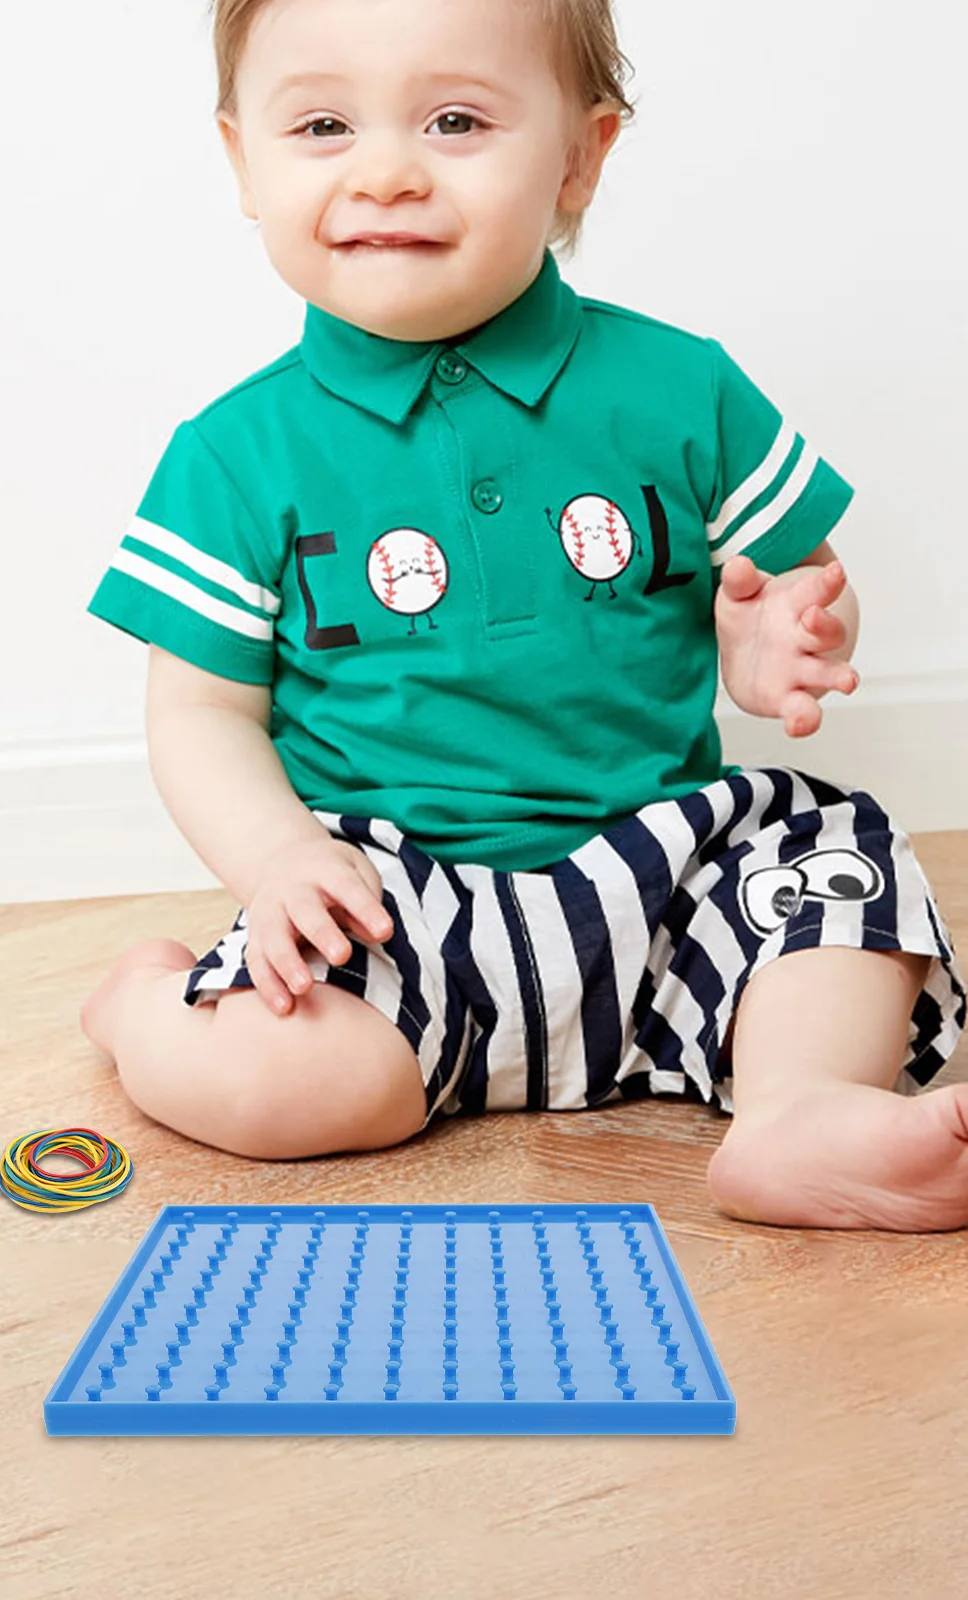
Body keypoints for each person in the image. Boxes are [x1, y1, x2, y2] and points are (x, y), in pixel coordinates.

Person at [80, 0, 968, 1230]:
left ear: (580, 155)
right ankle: (140, 1007)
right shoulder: (237, 457)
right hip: (394, 898)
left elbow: (797, 585)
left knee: (837, 863)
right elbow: (200, 711)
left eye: (454, 120)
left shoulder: (678, 387)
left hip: (666, 874)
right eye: (324, 124)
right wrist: (281, 860)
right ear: (243, 160)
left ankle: (798, 1105)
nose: (384, 171)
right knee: (280, 1082)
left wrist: (775, 642)